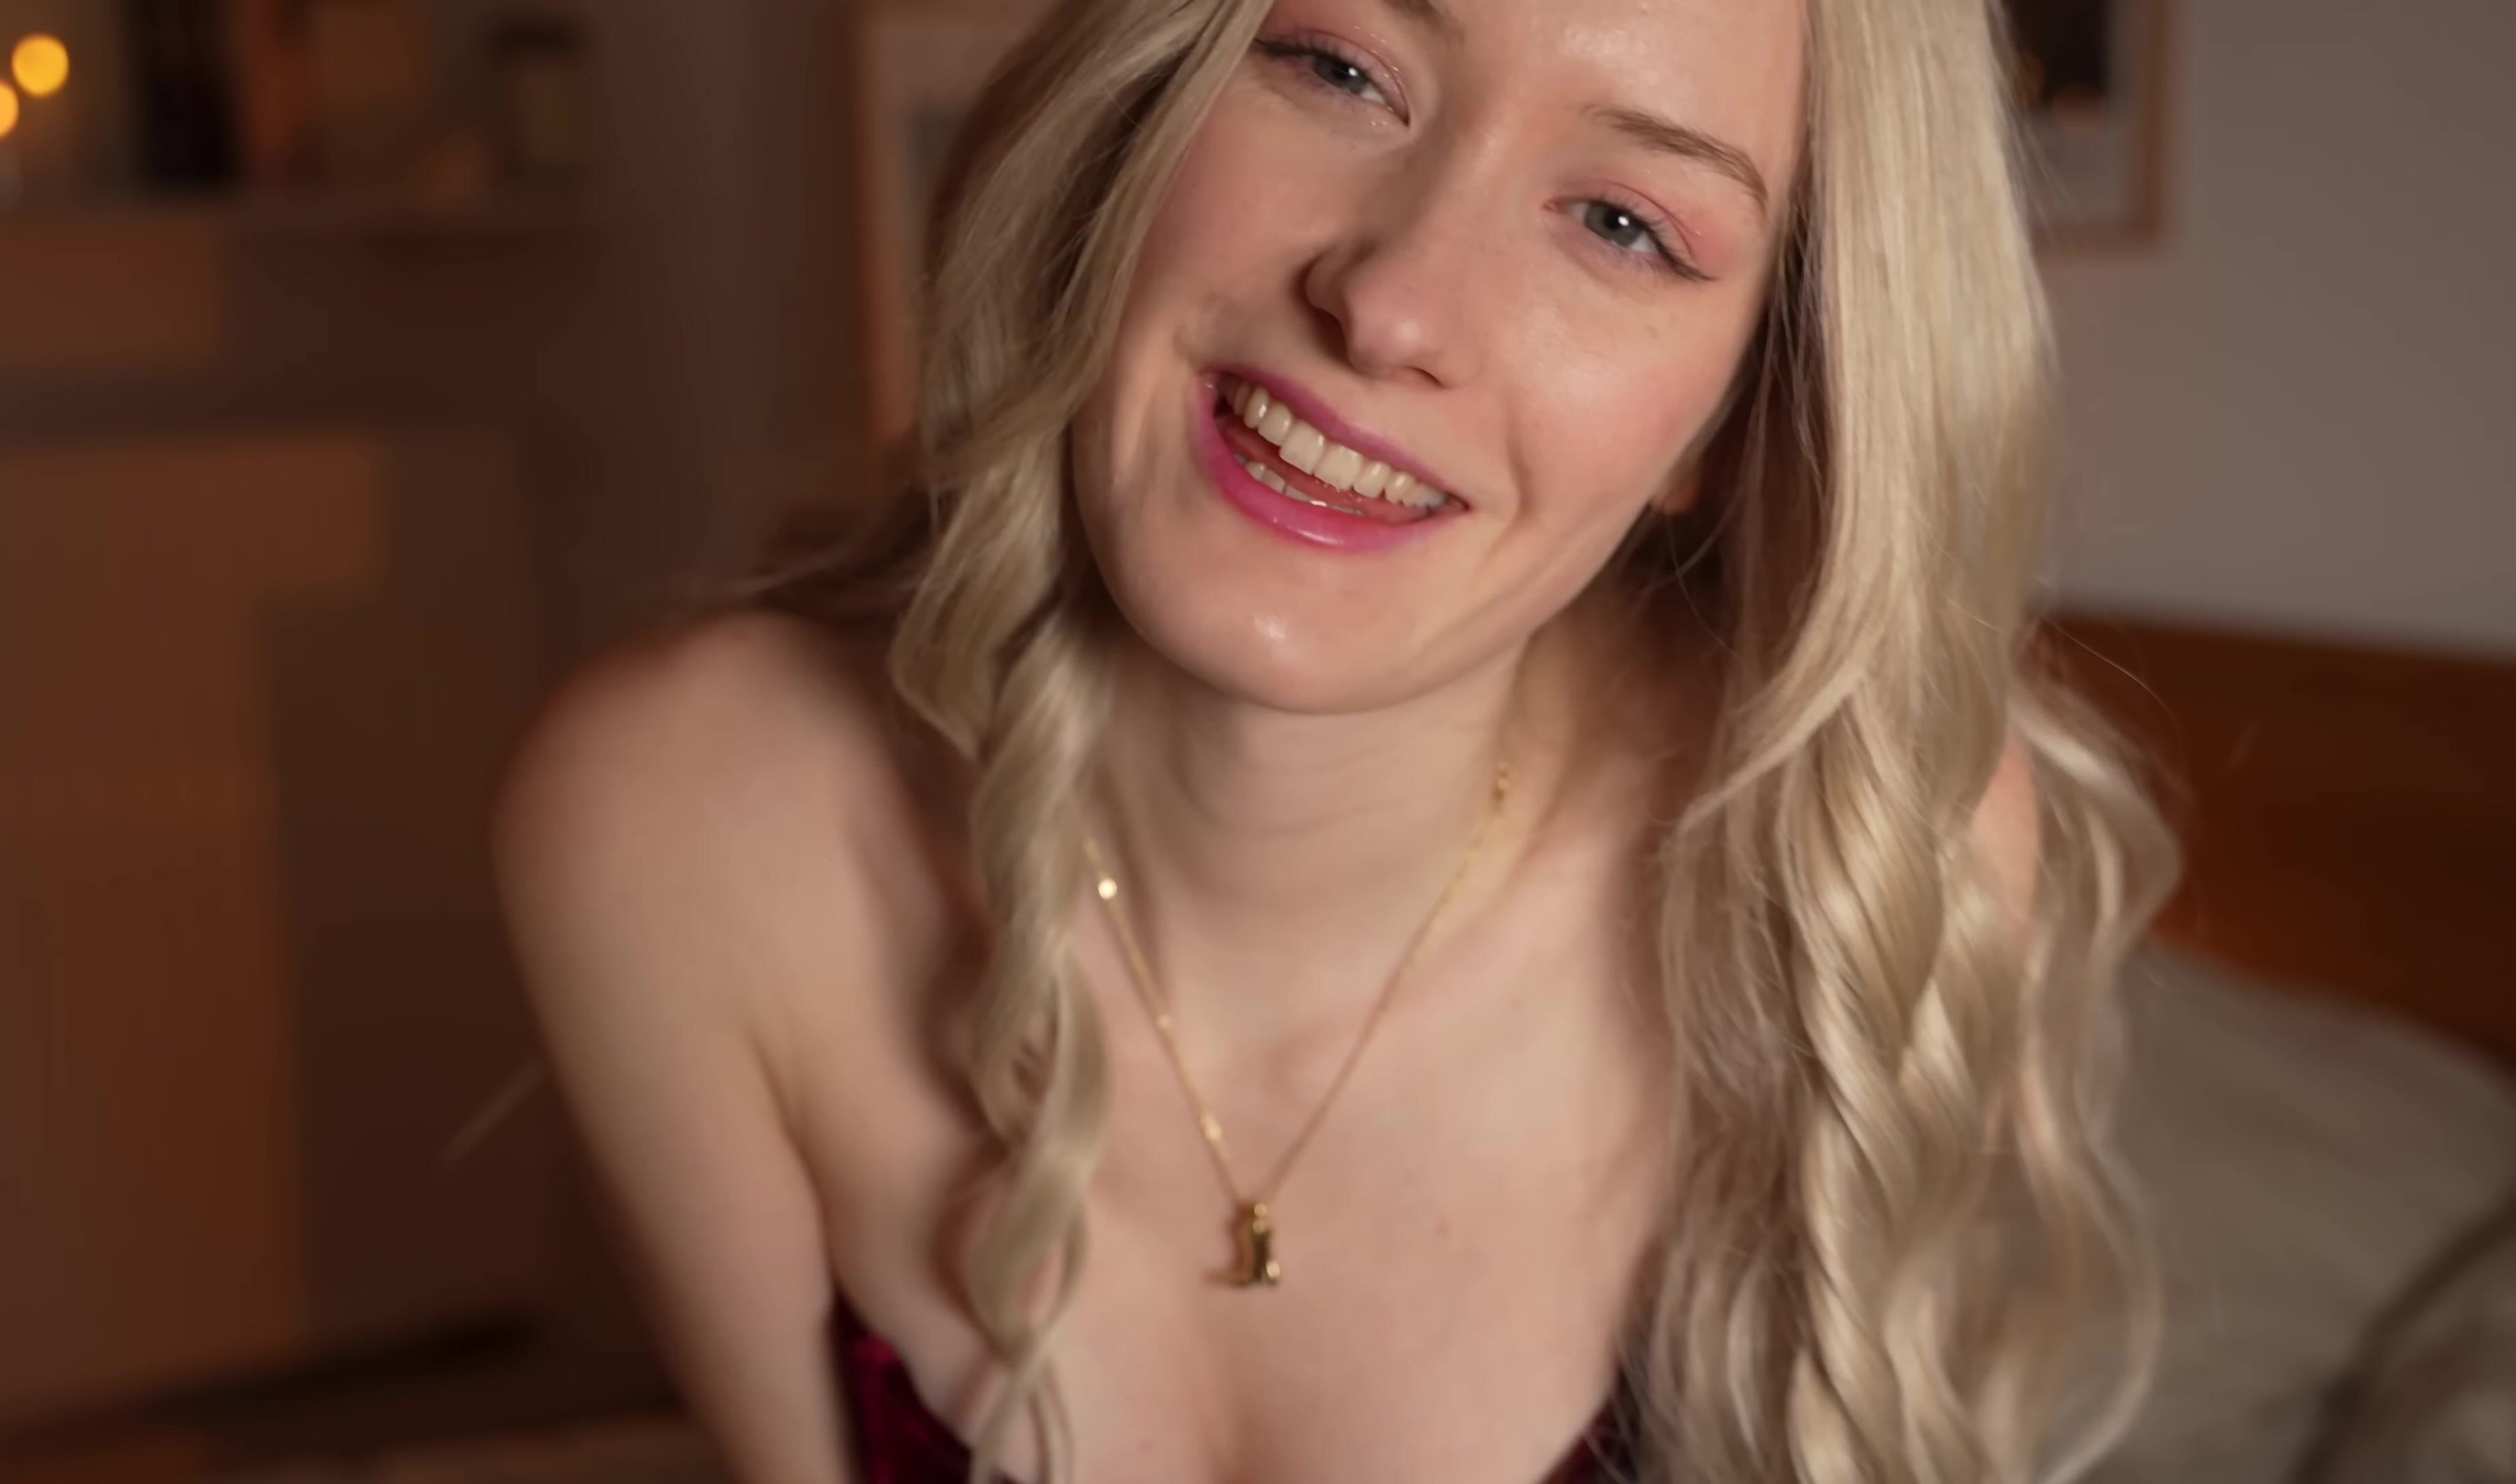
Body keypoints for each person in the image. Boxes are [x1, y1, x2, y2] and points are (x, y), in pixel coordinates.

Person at [488, 0, 2179, 1479]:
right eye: (1341, 69)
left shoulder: (1860, 855)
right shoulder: (671, 832)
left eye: (1620, 223)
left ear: (1734, 425)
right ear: (1143, 107)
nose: (1390, 305)